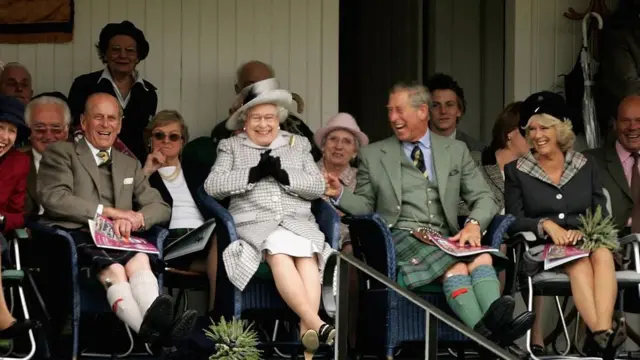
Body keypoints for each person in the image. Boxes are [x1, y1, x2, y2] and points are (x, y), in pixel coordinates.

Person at [324, 82, 534, 347]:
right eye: (391, 111)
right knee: (456, 267)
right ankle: (494, 341)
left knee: (482, 258)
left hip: (444, 238)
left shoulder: (456, 151)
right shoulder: (373, 154)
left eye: (401, 111)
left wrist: (473, 224)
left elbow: (485, 197)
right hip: (399, 237)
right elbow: (365, 205)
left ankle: (489, 335)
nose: (393, 118)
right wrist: (339, 194)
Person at [37, 93, 195, 347]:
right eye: (98, 117)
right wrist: (110, 212)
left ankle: (155, 336)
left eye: (112, 118)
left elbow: (161, 206)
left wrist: (137, 219)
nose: (105, 124)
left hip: (119, 239)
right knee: (116, 270)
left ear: (120, 125)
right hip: (76, 237)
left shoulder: (129, 164)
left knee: (142, 259)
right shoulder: (61, 153)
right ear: (84, 122)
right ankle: (161, 337)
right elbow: (54, 198)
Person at [204, 87, 336, 358]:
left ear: (279, 119)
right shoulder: (230, 146)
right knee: (278, 252)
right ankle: (318, 324)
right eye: (256, 118)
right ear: (245, 120)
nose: (263, 124)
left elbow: (316, 185)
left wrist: (286, 177)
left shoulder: (298, 145)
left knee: (309, 256)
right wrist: (252, 173)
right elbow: (212, 186)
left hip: (298, 221)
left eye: (269, 117)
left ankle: (308, 336)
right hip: (255, 224)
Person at [504, 91, 625, 357]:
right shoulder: (517, 171)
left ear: (560, 128)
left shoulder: (586, 165)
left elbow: (601, 214)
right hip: (544, 248)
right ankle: (604, 335)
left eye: (544, 127)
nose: (537, 135)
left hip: (588, 240)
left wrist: (582, 232)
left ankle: (600, 336)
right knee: (578, 263)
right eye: (531, 129)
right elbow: (512, 220)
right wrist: (546, 225)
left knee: (603, 253)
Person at [182, 61, 321, 191]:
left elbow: (315, 167)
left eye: (265, 84)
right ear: (238, 89)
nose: (259, 89)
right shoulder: (224, 134)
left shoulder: (295, 128)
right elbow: (217, 183)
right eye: (251, 84)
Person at [143, 110, 218, 313]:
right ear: (150, 139)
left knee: (225, 248)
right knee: (221, 254)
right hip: (169, 239)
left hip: (203, 237)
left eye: (173, 136)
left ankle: (216, 321)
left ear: (182, 142)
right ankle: (217, 320)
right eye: (159, 135)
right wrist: (147, 172)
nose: (166, 141)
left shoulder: (197, 169)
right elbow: (131, 203)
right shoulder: (141, 172)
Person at [313, 112, 367, 349]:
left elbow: (366, 213)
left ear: (354, 151)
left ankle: (347, 343)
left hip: (347, 240)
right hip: (312, 237)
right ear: (323, 145)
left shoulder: (360, 180)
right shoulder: (307, 173)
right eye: (333, 139)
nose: (339, 146)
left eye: (346, 142)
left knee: (352, 261)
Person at [68, 21, 157, 162]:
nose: (123, 55)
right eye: (116, 49)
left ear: (138, 57)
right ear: (105, 54)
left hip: (136, 167)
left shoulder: (148, 93)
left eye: (130, 51)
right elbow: (74, 131)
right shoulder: (83, 85)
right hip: (91, 164)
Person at [0, 95, 38, 338]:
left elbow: (18, 214)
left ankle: (3, 321)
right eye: (0, 128)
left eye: (11, 131)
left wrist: (1, 220)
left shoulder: (19, 162)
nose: (5, 137)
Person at [21, 93, 71, 216]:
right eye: (40, 129)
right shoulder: (13, 163)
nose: (48, 136)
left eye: (56, 129)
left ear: (66, 131)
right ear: (28, 130)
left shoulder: (83, 162)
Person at [426, 73, 486, 152]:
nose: (443, 111)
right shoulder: (411, 148)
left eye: (449, 105)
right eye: (436, 105)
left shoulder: (477, 149)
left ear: (459, 110)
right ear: (426, 111)